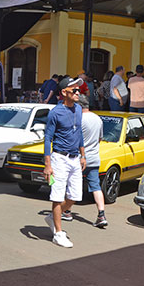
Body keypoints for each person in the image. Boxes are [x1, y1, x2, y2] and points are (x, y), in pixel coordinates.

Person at [43, 76, 85, 248]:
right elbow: (47, 138)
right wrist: (48, 165)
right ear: (63, 93)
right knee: (58, 195)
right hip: (59, 158)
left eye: (78, 90)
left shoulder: (79, 109)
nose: (78, 92)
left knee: (75, 196)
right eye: (74, 90)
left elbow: (79, 132)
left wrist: (83, 155)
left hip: (75, 158)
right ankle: (58, 233)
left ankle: (54, 216)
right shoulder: (55, 112)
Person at [78, 94, 108, 228]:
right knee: (96, 187)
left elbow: (75, 140)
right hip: (94, 157)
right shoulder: (98, 119)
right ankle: (101, 214)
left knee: (71, 184)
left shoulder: (78, 119)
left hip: (80, 158)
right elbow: (100, 138)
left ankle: (66, 211)